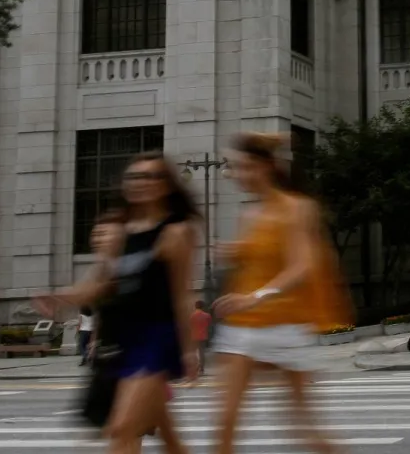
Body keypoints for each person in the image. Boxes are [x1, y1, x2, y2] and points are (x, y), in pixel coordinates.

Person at [36, 152, 199, 454]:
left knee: (122, 427)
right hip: (122, 342)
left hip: (157, 340)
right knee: (165, 433)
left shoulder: (176, 232)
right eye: (134, 176)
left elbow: (181, 295)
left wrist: (190, 350)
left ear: (166, 185)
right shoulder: (121, 232)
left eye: (151, 176)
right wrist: (62, 297)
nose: (141, 183)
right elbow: (100, 284)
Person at [211, 132, 353, 454]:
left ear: (267, 167)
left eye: (248, 167)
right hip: (242, 328)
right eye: (237, 168)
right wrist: (238, 253)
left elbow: (301, 266)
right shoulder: (250, 215)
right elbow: (264, 260)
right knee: (225, 422)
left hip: (287, 326)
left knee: (303, 428)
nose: (241, 175)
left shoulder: (298, 209)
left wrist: (255, 296)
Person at [188, 301, 211, 384]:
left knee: (194, 353)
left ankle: (194, 368)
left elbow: (190, 325)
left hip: (194, 336)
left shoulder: (192, 316)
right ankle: (201, 369)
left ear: (195, 306)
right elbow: (208, 324)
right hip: (203, 336)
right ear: (203, 307)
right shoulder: (207, 316)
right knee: (202, 353)